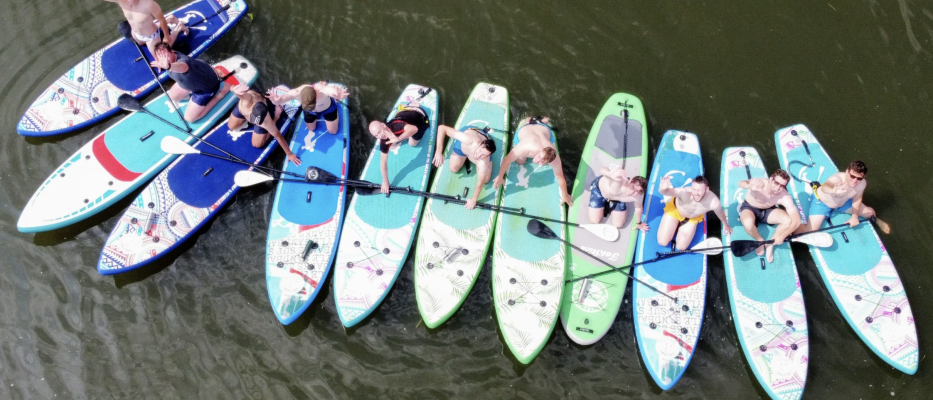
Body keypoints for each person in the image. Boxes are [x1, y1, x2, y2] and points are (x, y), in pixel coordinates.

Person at [491, 116, 573, 207]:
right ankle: (530, 121)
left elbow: (560, 176)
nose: (539, 162)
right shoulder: (524, 148)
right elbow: (506, 160)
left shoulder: (555, 158)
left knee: (545, 123)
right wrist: (500, 176)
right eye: (539, 157)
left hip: (544, 129)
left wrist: (565, 195)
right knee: (520, 162)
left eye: (543, 162)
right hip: (526, 130)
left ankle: (540, 121)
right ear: (540, 150)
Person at [150, 42, 229, 123]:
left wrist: (168, 66)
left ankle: (221, 94)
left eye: (165, 56)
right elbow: (164, 61)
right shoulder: (166, 61)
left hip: (206, 88)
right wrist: (161, 64)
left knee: (189, 118)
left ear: (172, 51)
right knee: (173, 97)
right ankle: (193, 96)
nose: (164, 59)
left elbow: (183, 67)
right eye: (160, 57)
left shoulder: (183, 62)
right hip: (191, 80)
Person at [227, 84, 301, 166]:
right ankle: (245, 118)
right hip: (250, 102)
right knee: (231, 126)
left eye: (258, 122)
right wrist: (233, 89)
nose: (255, 123)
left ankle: (276, 115)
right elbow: (231, 88)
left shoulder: (266, 119)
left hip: (266, 106)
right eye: (254, 121)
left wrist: (289, 154)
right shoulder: (246, 99)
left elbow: (278, 136)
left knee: (256, 144)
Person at [737, 169, 800, 263]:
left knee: (787, 220)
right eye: (776, 183)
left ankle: (770, 244)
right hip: (750, 207)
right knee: (748, 223)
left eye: (782, 185)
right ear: (771, 179)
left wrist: (782, 236)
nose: (778, 188)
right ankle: (760, 240)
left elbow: (797, 221)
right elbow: (741, 183)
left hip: (767, 211)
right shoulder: (761, 183)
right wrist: (749, 186)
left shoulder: (784, 197)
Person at [367, 101, 431, 194]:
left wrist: (398, 138)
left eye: (380, 131)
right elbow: (383, 162)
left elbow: (414, 129)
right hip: (403, 115)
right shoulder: (383, 140)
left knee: (412, 144)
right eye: (377, 135)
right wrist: (385, 181)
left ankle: (414, 107)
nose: (380, 135)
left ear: (384, 125)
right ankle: (406, 108)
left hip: (419, 118)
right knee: (391, 145)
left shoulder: (396, 126)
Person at [797, 160, 876, 233]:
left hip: (844, 202)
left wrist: (854, 217)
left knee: (871, 213)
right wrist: (833, 191)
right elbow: (825, 187)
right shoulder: (837, 179)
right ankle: (793, 229)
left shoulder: (862, 183)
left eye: (859, 178)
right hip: (823, 203)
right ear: (847, 171)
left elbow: (857, 199)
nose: (855, 180)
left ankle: (878, 221)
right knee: (810, 230)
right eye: (852, 176)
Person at [657, 175, 732, 250]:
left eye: (699, 190)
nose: (696, 193)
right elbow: (666, 192)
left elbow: (720, 213)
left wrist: (725, 224)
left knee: (681, 247)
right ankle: (673, 222)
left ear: (706, 190)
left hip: (692, 218)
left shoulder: (713, 202)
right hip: (676, 210)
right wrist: (662, 188)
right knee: (662, 242)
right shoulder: (684, 192)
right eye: (694, 189)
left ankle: (679, 227)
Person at [432, 125, 498, 209]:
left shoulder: (484, 162)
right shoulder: (467, 139)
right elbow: (442, 128)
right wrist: (438, 152)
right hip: (466, 142)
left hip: (483, 142)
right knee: (453, 168)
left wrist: (473, 200)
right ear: (480, 145)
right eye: (480, 151)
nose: (479, 155)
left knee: (486, 179)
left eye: (483, 155)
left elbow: (480, 183)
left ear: (488, 155)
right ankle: (465, 155)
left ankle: (468, 156)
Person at [107, 0, 187, 56]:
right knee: (140, 42)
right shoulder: (121, 1)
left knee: (162, 57)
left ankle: (178, 28)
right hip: (135, 34)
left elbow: (161, 20)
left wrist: (166, 37)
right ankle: (170, 19)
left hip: (151, 37)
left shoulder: (149, 4)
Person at [267, 82, 350, 134]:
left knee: (333, 131)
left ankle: (335, 109)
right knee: (311, 129)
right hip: (309, 112)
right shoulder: (295, 93)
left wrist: (339, 95)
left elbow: (331, 90)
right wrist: (275, 101)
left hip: (327, 109)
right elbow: (280, 100)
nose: (313, 107)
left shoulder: (322, 91)